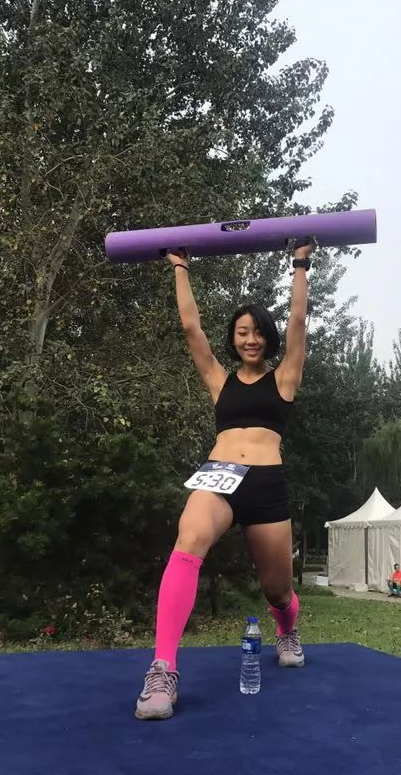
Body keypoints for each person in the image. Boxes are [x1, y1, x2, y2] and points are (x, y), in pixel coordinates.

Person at [135, 239, 316, 720]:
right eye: (241, 332)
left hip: (267, 483)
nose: (249, 339)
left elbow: (298, 322)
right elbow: (190, 327)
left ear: (267, 338)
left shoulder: (285, 377)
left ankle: (287, 629)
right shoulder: (220, 379)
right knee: (188, 540)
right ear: (233, 339)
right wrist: (180, 267)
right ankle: (162, 670)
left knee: (278, 590)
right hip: (220, 475)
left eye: (256, 332)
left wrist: (300, 263)